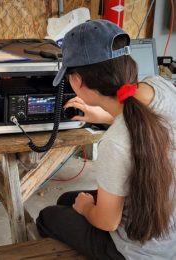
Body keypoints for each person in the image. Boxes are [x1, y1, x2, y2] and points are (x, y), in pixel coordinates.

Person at [36, 19, 176, 259]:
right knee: (66, 198)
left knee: (48, 216)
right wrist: (99, 114)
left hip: (135, 252)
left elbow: (108, 222)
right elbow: (144, 121)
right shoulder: (160, 86)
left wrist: (87, 208)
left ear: (77, 81)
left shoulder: (115, 142)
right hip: (168, 228)